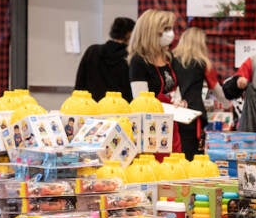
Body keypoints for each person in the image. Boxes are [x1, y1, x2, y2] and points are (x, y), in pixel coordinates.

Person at [128, 9, 183, 153]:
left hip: (172, 125)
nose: (170, 33)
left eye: (171, 28)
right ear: (151, 32)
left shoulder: (168, 58)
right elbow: (141, 103)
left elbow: (174, 90)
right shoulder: (138, 61)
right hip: (151, 132)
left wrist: (180, 102)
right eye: (166, 29)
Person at [173, 27, 229, 159]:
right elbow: (217, 90)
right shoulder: (203, 63)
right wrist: (227, 104)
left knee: (176, 149)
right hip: (194, 113)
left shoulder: (172, 61)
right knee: (192, 151)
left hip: (174, 111)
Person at [73, 16, 135, 101]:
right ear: (130, 34)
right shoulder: (131, 57)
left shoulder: (92, 51)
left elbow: (79, 85)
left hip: (91, 109)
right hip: (121, 110)